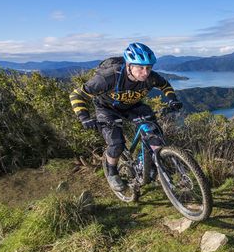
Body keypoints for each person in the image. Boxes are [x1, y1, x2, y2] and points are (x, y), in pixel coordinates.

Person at [70, 42, 183, 191]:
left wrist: (172, 99)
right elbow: (76, 94)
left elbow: (165, 85)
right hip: (107, 109)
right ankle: (112, 173)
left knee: (155, 134)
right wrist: (84, 117)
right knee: (117, 144)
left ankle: (150, 165)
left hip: (133, 106)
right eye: (140, 67)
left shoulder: (151, 77)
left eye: (148, 67)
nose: (145, 72)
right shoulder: (109, 77)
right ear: (129, 65)